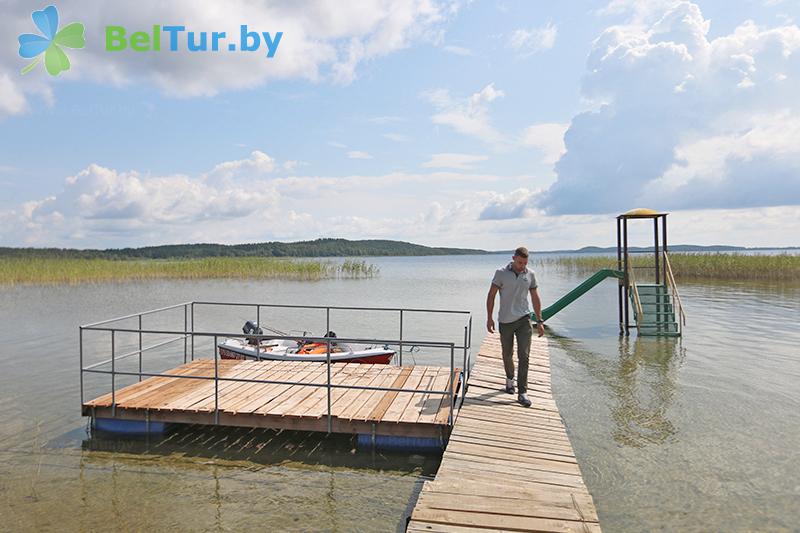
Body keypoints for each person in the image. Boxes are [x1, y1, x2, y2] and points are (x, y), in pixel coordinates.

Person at [486, 246, 545, 407]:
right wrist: (489, 318)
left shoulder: (530, 274)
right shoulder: (501, 273)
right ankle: (509, 379)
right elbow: (491, 295)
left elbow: (535, 297)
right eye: (519, 262)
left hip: (524, 319)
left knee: (524, 356)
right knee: (507, 354)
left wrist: (539, 321)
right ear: (513, 258)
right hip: (505, 321)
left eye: (525, 263)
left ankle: (522, 392)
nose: (522, 266)